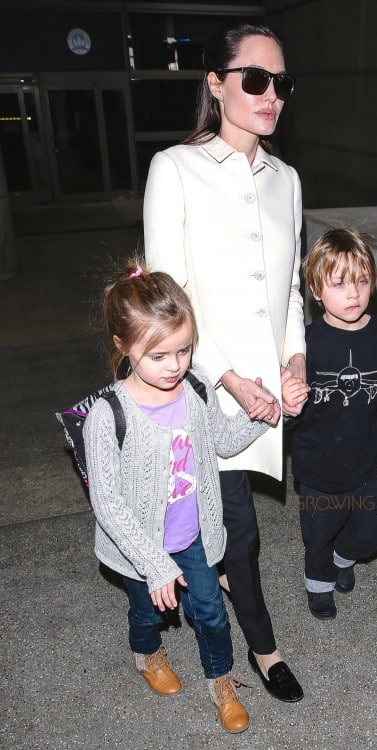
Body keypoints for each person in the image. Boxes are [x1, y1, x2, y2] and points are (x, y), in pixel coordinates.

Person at [143, 22, 306, 702]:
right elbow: (165, 295)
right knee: (240, 525)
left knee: (232, 525)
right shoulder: (174, 169)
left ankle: (227, 575)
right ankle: (264, 647)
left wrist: (295, 358)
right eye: (255, 79)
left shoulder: (286, 179)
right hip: (203, 385)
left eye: (281, 83)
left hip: (267, 389)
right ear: (216, 83)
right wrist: (227, 375)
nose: (271, 95)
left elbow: (290, 285)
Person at [83, 260, 276, 733]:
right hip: (139, 547)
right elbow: (108, 504)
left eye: (184, 350)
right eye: (159, 356)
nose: (175, 366)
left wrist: (258, 413)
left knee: (210, 612)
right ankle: (146, 653)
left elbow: (221, 441)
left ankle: (221, 680)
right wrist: (154, 564)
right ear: (123, 347)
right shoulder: (107, 416)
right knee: (145, 611)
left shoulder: (194, 386)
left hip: (193, 534)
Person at [283, 229, 377, 620]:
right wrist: (287, 405)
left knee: (375, 531)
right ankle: (318, 582)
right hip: (318, 468)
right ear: (316, 291)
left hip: (367, 463)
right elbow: (287, 416)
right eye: (339, 283)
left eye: (362, 280)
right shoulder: (305, 343)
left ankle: (344, 557)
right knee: (318, 534)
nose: (353, 292)